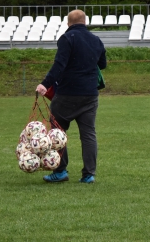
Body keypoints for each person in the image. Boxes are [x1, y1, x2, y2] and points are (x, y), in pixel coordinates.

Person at [35, 10, 106, 184]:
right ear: (85, 22)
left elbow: (59, 64)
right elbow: (102, 64)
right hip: (90, 94)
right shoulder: (96, 40)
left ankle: (60, 171)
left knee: (57, 132)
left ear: (68, 24)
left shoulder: (67, 39)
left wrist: (45, 83)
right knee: (88, 134)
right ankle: (89, 174)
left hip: (67, 93)